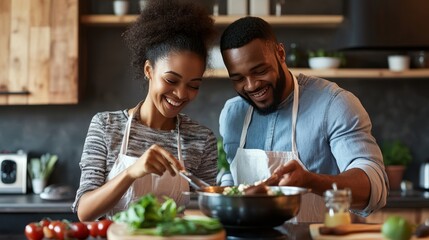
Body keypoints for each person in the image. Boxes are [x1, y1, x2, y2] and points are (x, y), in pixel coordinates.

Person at [218, 16, 388, 222]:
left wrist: (312, 182)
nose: (251, 85)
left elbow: (374, 188)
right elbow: (231, 173)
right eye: (238, 79)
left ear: (280, 54)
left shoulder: (334, 104)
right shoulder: (232, 114)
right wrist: (226, 190)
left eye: (260, 71)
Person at [72, 0, 218, 221]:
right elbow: (85, 212)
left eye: (193, 85)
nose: (181, 94)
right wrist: (131, 172)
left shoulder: (201, 139)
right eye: (171, 80)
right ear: (149, 70)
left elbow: (212, 210)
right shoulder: (106, 126)